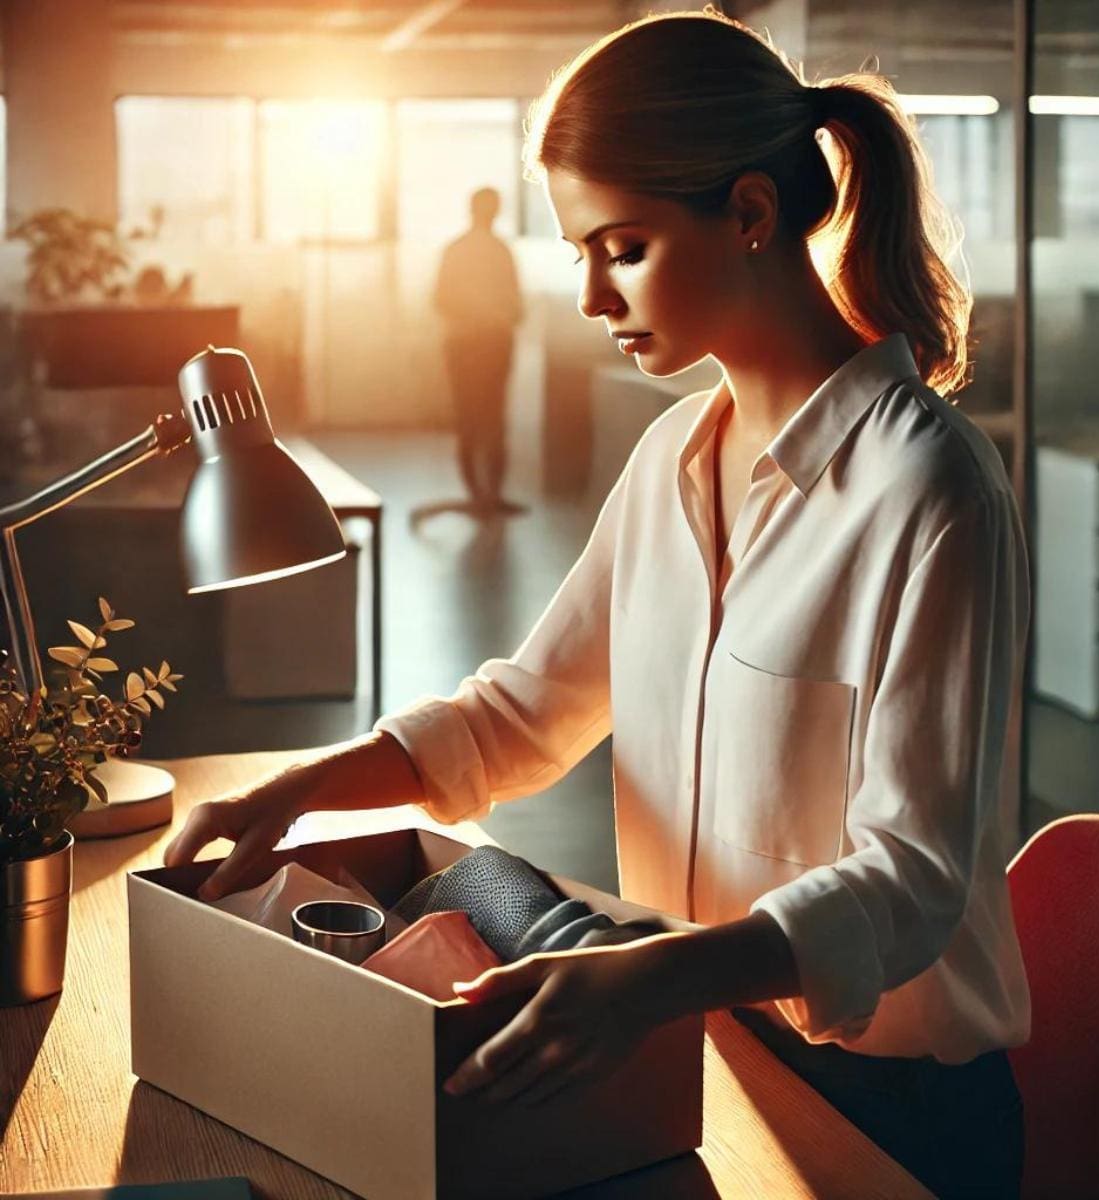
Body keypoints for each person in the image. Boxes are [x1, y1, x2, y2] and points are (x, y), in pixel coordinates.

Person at [165, 12, 1029, 1196]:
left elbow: (912, 878)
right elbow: (523, 716)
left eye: (618, 247)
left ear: (750, 215)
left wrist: (660, 979)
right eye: (577, 250)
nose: (585, 295)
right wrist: (306, 785)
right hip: (698, 1045)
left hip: (889, 1115)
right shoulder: (676, 457)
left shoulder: (931, 491)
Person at [433, 186, 525, 514]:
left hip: (481, 344)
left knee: (482, 420)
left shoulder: (472, 251)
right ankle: (482, 497)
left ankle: (486, 496)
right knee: (478, 420)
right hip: (476, 344)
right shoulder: (493, 251)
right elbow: (442, 299)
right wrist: (490, 314)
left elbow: (516, 306)